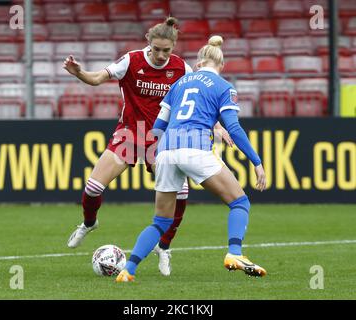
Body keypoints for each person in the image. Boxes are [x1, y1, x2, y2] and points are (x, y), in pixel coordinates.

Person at [63, 17, 232, 276]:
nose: (162, 55)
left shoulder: (181, 68)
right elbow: (98, 78)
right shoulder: (131, 60)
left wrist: (217, 126)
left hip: (163, 138)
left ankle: (164, 247)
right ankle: (88, 223)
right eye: (157, 49)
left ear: (173, 46)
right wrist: (80, 73)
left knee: (182, 194)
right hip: (130, 134)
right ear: (148, 43)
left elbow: (200, 99)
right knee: (93, 187)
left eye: (167, 50)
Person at [116, 35, 267, 283]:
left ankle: (128, 270)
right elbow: (234, 128)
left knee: (160, 221)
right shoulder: (223, 86)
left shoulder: (178, 84)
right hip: (195, 148)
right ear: (221, 65)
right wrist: (256, 162)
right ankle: (235, 253)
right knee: (240, 203)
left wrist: (154, 155)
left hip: (165, 151)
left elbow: (158, 126)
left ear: (198, 64)